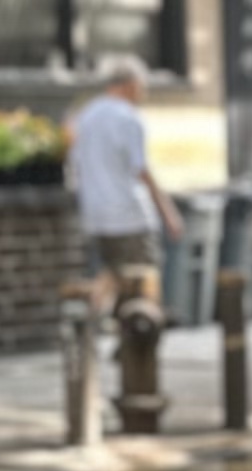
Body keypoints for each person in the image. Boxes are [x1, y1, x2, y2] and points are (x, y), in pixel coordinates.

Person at [69, 62, 177, 430]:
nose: (144, 93)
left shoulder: (84, 116)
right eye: (142, 86)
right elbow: (141, 169)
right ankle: (128, 342)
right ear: (128, 84)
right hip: (131, 215)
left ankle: (96, 327)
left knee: (115, 276)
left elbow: (75, 167)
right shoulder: (129, 119)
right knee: (145, 287)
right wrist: (168, 211)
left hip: (97, 216)